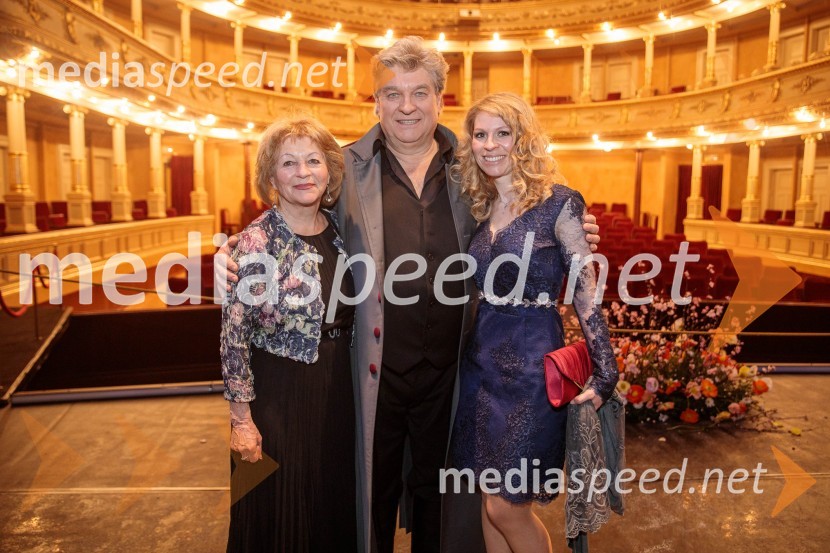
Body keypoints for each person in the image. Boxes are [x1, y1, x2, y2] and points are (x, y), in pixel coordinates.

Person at [217, 37, 601, 553]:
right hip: (368, 372)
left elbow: (529, 202)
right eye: (392, 93)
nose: (406, 106)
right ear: (375, 101)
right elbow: (298, 214)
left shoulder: (473, 168)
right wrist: (234, 251)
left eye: (419, 93)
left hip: (456, 372)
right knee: (364, 501)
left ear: (441, 99)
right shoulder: (346, 168)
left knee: (443, 504)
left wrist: (574, 227)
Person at [449, 92, 619, 552]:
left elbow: (586, 291)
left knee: (509, 505)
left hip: (530, 370)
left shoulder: (560, 204)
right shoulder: (481, 208)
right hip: (480, 368)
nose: (489, 145)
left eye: (502, 133)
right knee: (490, 499)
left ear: (522, 138)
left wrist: (606, 373)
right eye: (480, 135)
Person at [220, 116, 358, 553]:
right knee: (269, 511)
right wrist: (241, 421)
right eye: (289, 163)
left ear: (330, 170)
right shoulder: (253, 242)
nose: (303, 173)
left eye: (314, 161)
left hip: (339, 388)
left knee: (329, 505)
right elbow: (233, 340)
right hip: (276, 395)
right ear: (270, 176)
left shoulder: (343, 233)